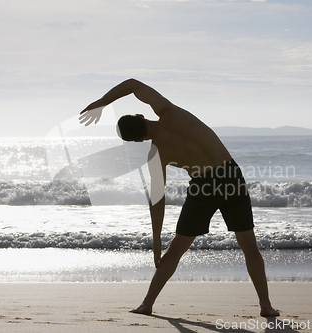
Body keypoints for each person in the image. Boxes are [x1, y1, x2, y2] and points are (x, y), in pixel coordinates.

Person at [79, 78, 279, 317]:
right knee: (249, 247)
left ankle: (147, 304)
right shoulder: (168, 111)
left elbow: (157, 200)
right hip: (231, 175)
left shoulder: (156, 153)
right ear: (141, 116)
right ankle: (266, 306)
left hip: (203, 187)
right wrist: (102, 102)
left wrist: (156, 243)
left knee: (175, 250)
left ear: (138, 141)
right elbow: (132, 84)